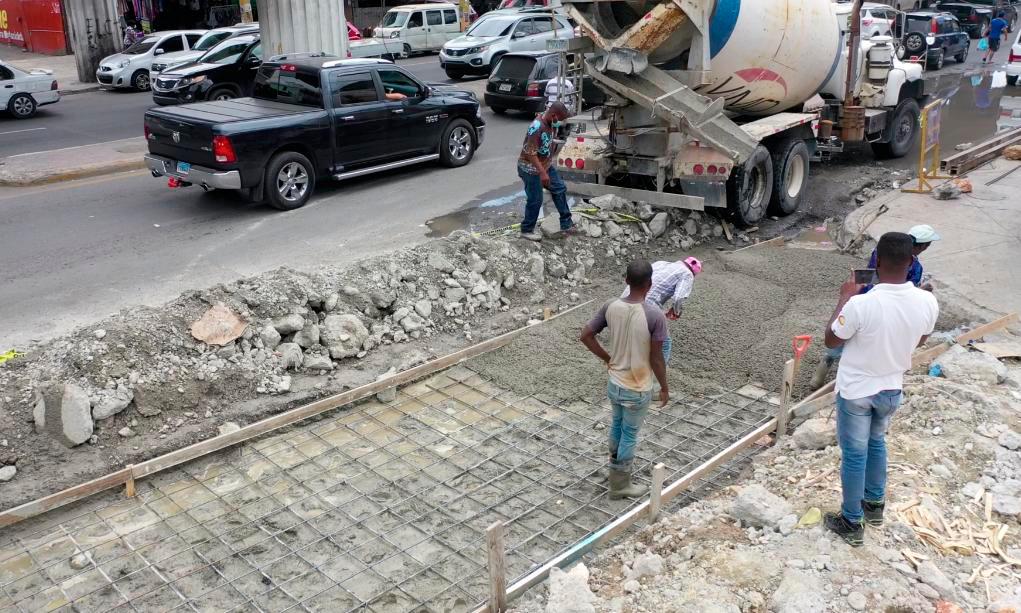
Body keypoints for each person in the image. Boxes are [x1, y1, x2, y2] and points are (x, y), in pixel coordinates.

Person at [822, 232, 939, 546]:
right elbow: (922, 340)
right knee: (877, 443)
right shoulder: (927, 300)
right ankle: (874, 506)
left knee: (855, 455)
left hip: (857, 391)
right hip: (891, 389)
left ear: (876, 262)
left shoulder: (861, 304)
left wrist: (845, 296)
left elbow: (832, 340)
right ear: (911, 261)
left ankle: (851, 521)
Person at [580, 260, 670, 500]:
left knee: (617, 426)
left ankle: (615, 470)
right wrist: (664, 387)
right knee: (629, 433)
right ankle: (620, 486)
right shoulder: (654, 316)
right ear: (650, 285)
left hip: (615, 383)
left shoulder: (611, 306)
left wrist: (608, 358)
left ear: (626, 280)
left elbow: (586, 335)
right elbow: (657, 358)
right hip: (637, 387)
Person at [810, 224, 940, 389]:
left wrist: (849, 294)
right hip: (884, 307)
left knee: (843, 334)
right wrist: (921, 291)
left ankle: (818, 378)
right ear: (922, 246)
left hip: (864, 296)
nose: (927, 247)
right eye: (927, 244)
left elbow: (872, 274)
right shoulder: (916, 267)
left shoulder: (880, 253)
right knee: (866, 338)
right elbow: (905, 291)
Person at [621, 257, 703, 363]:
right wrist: (676, 311)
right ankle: (656, 375)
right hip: (643, 308)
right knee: (664, 343)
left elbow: (653, 288)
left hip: (624, 302)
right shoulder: (687, 274)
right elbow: (678, 297)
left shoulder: (660, 263)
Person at [517, 101, 576, 241]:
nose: (560, 123)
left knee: (559, 188)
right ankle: (526, 230)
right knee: (535, 200)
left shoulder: (550, 123)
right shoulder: (536, 127)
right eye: (559, 120)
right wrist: (542, 173)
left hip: (545, 165)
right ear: (554, 115)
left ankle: (566, 223)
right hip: (530, 168)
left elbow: (548, 143)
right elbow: (531, 153)